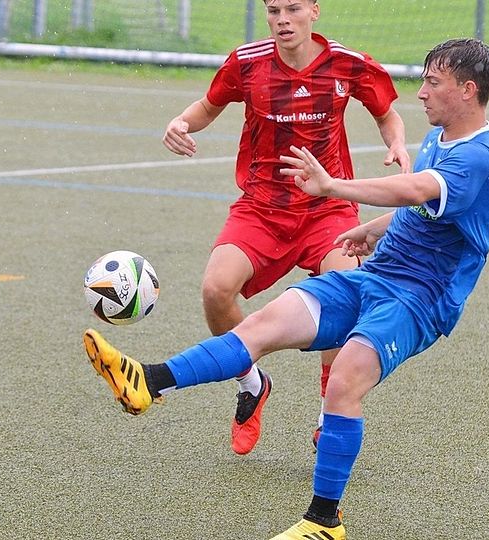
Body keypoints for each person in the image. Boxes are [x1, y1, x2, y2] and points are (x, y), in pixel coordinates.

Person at [85, 37, 489, 539]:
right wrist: (374, 230)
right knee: (267, 320)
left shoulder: (482, 155)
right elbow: (419, 208)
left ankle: (324, 522)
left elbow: (417, 189)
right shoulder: (441, 139)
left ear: (466, 90)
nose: (420, 93)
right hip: (377, 275)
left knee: (348, 372)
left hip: (419, 299)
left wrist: (334, 188)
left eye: (431, 82)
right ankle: (148, 381)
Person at [161, 0, 410, 456]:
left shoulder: (347, 63)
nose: (281, 19)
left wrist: (395, 143)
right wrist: (180, 122)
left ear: (314, 10)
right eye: (273, 9)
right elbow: (205, 107)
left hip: (328, 209)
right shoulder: (247, 62)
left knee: (347, 294)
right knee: (216, 290)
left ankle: (326, 416)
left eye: (293, 8)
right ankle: (252, 384)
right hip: (262, 208)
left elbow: (386, 113)